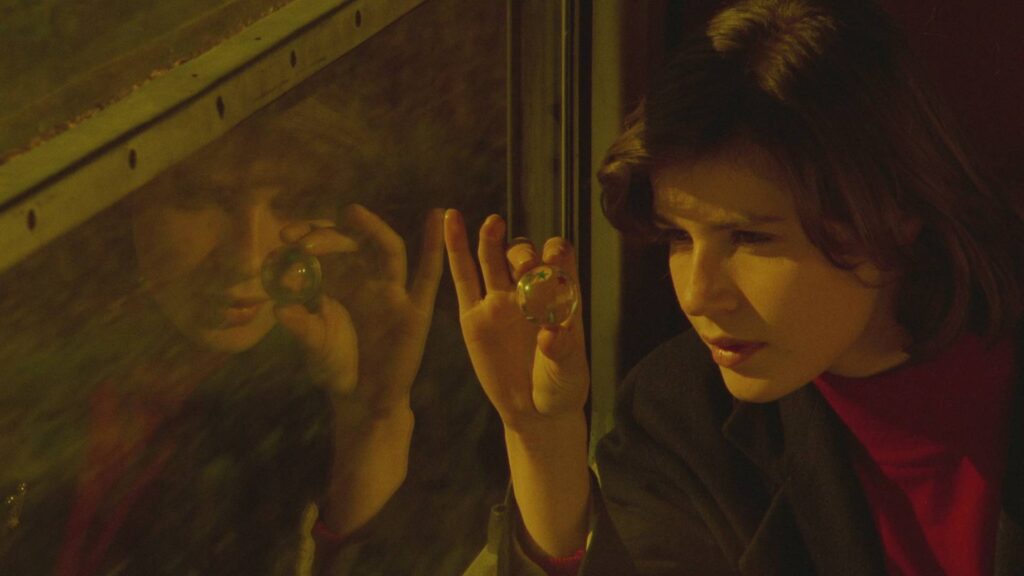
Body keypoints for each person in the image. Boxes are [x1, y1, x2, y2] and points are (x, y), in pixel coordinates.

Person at [446, 0, 1024, 574]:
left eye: (750, 237)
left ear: (895, 213)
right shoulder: (682, 417)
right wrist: (541, 439)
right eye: (679, 237)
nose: (697, 295)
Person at [0, 96, 446, 575]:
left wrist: (373, 427)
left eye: (291, 204)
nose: (246, 259)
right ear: (127, 195)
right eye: (199, 198)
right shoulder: (42, 359)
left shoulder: (300, 416)